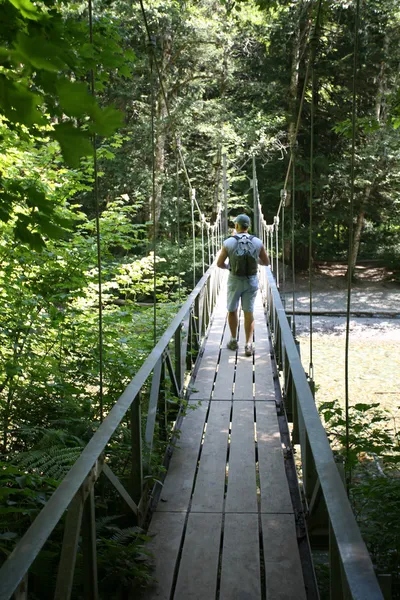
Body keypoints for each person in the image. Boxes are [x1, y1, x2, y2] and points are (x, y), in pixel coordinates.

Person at [216, 214, 269, 356]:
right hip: (251, 280)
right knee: (248, 312)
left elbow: (219, 264)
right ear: (248, 226)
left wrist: (229, 267)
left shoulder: (228, 242)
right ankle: (248, 344)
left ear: (237, 226)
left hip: (234, 280)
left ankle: (233, 340)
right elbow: (266, 262)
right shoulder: (258, 242)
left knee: (232, 310)